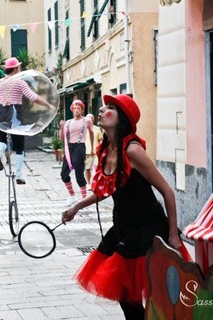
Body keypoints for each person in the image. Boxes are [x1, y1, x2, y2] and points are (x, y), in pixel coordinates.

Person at [61, 94, 192, 320]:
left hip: (148, 229)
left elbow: (167, 192)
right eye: (103, 107)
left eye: (110, 107)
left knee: (154, 296)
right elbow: (105, 190)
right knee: (126, 295)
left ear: (122, 118)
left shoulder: (132, 150)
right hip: (123, 225)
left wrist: (173, 234)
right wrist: (76, 207)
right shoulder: (105, 150)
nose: (101, 110)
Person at [0, 57, 54, 185]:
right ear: (16, 69)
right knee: (20, 147)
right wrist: (48, 105)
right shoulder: (20, 82)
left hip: (1, 113)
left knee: (2, 139)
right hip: (15, 113)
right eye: (19, 67)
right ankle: (18, 174)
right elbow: (33, 97)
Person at [60, 99, 94, 206]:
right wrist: (62, 126)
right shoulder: (68, 122)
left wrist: (92, 148)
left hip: (79, 147)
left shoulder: (86, 121)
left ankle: (84, 199)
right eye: (75, 108)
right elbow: (62, 138)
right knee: (64, 174)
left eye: (79, 108)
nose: (76, 110)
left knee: (79, 173)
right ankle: (72, 196)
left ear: (82, 110)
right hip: (69, 148)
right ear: (72, 109)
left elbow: (92, 133)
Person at [84, 113, 103, 187]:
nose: (89, 120)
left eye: (90, 119)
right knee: (87, 169)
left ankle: (96, 183)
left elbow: (100, 140)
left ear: (93, 120)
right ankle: (89, 184)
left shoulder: (97, 129)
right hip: (87, 152)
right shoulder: (83, 129)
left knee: (97, 168)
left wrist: (100, 148)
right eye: (87, 119)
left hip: (96, 152)